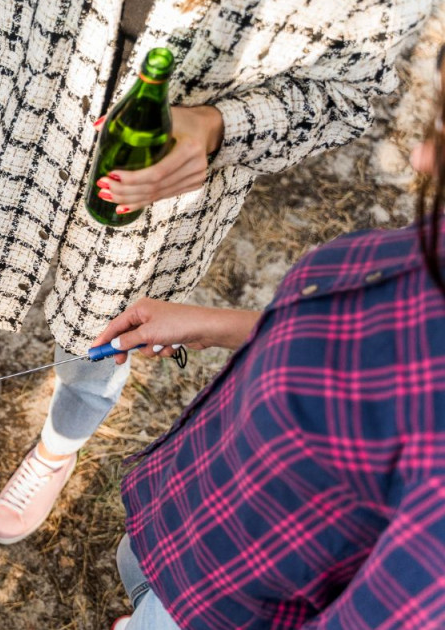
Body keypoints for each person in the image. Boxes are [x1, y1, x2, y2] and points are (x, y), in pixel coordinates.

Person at [0, 0, 435, 544]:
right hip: (7, 146)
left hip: (155, 207)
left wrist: (218, 124)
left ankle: (55, 452)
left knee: (103, 345)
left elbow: (351, 94)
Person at [103, 44, 445, 630]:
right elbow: (365, 352)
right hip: (196, 512)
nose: (419, 156)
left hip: (225, 605)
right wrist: (219, 325)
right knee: (137, 582)